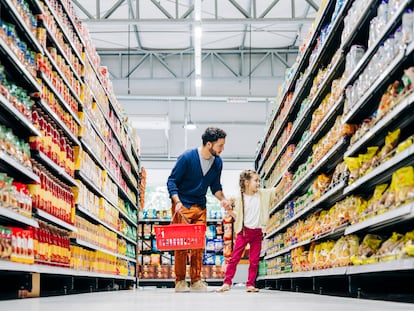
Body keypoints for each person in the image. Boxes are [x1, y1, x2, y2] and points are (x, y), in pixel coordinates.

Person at [167, 127, 231, 292]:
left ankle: (196, 280)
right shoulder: (187, 158)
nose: (222, 149)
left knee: (198, 244)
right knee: (181, 245)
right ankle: (180, 281)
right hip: (183, 205)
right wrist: (177, 201)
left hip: (200, 206)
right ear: (209, 144)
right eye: (220, 145)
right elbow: (172, 181)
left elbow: (215, 187)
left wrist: (223, 199)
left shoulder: (217, 162)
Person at [217, 169, 275, 293]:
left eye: (259, 180)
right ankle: (227, 282)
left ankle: (250, 284)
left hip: (257, 232)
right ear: (247, 182)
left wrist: (285, 179)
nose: (259, 183)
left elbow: (274, 191)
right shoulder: (240, 198)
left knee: (254, 261)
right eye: (256, 180)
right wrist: (228, 210)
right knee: (234, 258)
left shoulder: (261, 195)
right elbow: (238, 216)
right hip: (243, 232)